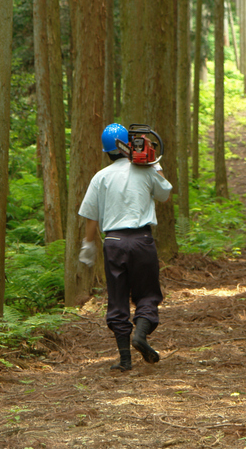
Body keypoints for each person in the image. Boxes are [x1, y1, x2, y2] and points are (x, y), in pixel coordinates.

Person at [78, 122, 173, 371]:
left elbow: (91, 216)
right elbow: (165, 195)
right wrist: (155, 164)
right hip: (142, 240)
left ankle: (124, 359)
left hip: (114, 242)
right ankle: (140, 336)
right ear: (128, 145)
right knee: (147, 294)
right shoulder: (147, 171)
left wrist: (88, 245)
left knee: (117, 298)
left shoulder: (101, 177)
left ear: (107, 151)